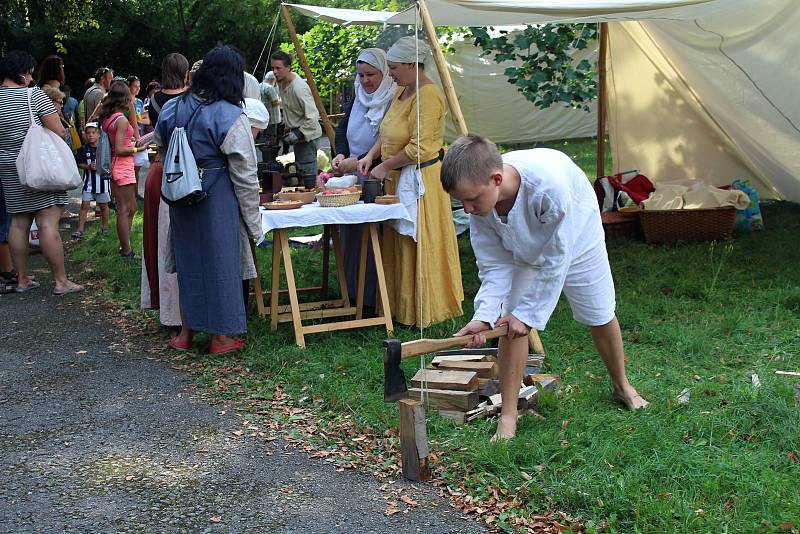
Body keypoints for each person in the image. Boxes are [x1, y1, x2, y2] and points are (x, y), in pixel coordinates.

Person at [441, 134, 650, 440]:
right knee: (509, 324)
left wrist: (528, 315)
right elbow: (494, 265)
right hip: (523, 250)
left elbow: (556, 260)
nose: (468, 209)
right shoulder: (481, 205)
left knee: (599, 313)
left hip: (577, 240)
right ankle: (508, 416)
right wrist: (484, 316)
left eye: (472, 199)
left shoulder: (548, 189)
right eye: (462, 202)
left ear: (496, 178)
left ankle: (622, 385)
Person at [154, 44, 262, 354]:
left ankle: (185, 334)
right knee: (221, 262)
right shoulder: (230, 115)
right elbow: (244, 174)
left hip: (181, 194)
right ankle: (221, 338)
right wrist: (254, 223)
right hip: (217, 196)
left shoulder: (172, 107)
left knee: (189, 260)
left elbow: (162, 149)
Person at [357, 36, 463, 327]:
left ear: (412, 65)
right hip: (396, 177)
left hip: (421, 182)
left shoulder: (428, 96)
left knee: (418, 242)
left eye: (393, 67)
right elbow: (388, 130)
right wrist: (371, 156)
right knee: (399, 244)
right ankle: (399, 307)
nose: (390, 73)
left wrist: (386, 166)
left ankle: (423, 308)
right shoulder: (401, 92)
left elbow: (420, 148)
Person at [0, 50, 83, 295]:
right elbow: (57, 130)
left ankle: (22, 279)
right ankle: (60, 281)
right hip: (38, 165)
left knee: (18, 221)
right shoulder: (33, 96)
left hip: (8, 167)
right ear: (22, 74)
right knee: (47, 223)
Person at [332, 48, 396, 308]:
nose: (366, 80)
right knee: (351, 235)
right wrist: (340, 155)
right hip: (354, 175)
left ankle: (372, 298)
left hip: (378, 177)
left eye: (371, 74)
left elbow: (391, 142)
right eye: (361, 75)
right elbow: (342, 130)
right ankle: (351, 293)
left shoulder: (394, 98)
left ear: (384, 72)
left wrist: (360, 161)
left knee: (373, 238)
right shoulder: (358, 96)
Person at [141, 53, 188, 327]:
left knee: (159, 242)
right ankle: (180, 312)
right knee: (176, 240)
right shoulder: (192, 99)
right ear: (185, 71)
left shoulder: (155, 100)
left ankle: (166, 306)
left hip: (158, 170)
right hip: (181, 173)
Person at [98, 80, 138, 257]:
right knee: (124, 209)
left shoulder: (108, 117)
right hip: (122, 166)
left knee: (129, 207)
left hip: (115, 166)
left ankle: (126, 245)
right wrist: (138, 148)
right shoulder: (120, 120)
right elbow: (121, 149)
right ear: (125, 98)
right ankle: (126, 250)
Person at [270, 50, 322, 179]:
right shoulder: (282, 83)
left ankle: (311, 195)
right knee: (300, 171)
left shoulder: (299, 88)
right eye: (273, 68)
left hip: (308, 136)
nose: (275, 72)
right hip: (298, 134)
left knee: (307, 175)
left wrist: (298, 133)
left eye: (278, 68)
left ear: (288, 68)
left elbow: (313, 116)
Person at [72, 123, 110, 238]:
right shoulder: (84, 149)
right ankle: (80, 229)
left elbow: (109, 162)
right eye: (88, 133)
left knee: (103, 206)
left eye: (93, 133)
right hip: (88, 183)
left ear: (99, 134)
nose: (91, 135)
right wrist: (88, 167)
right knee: (84, 205)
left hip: (103, 183)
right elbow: (79, 163)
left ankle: (105, 227)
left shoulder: (104, 148)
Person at [259, 71, 281, 145]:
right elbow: (275, 103)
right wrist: (282, 99)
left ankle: (265, 154)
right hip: (272, 119)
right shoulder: (270, 88)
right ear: (273, 79)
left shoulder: (259, 85)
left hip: (262, 118)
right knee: (271, 140)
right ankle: (270, 155)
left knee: (264, 139)